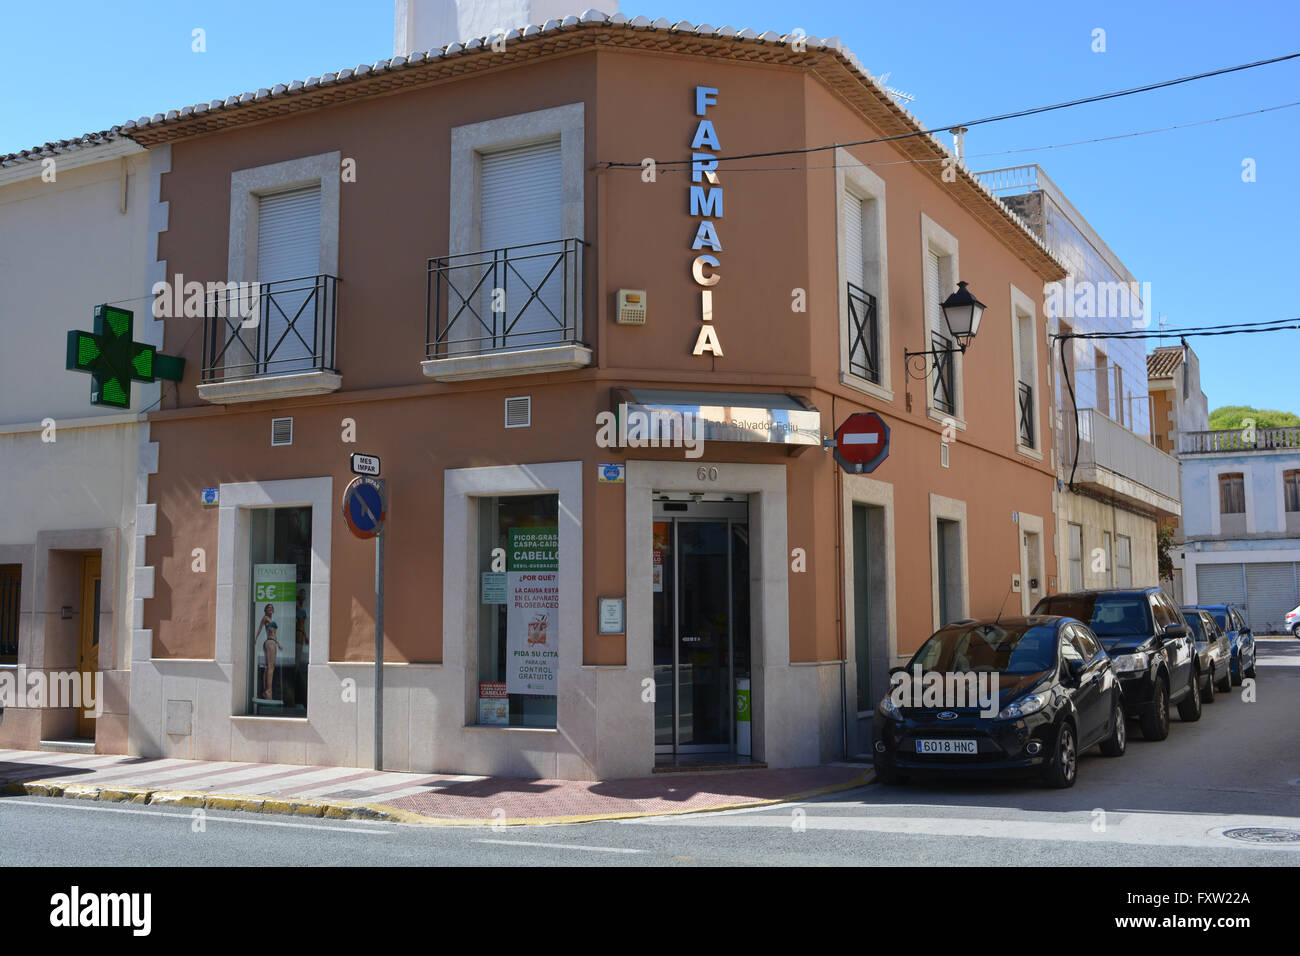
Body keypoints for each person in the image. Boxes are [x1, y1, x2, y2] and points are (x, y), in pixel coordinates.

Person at [252, 604, 281, 701]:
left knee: (267, 667)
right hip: (270, 643)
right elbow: (260, 628)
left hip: (271, 642)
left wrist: (278, 643)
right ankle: (269, 691)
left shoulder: (270, 619)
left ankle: (265, 691)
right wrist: (255, 639)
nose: (270, 609)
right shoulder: (265, 618)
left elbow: (274, 634)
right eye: (268, 608)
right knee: (271, 667)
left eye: (272, 608)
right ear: (265, 610)